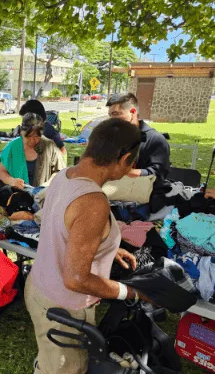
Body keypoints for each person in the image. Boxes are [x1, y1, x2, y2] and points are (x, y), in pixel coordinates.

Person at [25, 119, 144, 374]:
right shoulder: (92, 201)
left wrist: (107, 249)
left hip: (40, 287)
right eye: (132, 162)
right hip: (63, 306)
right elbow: (76, 278)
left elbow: (62, 228)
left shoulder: (65, 175)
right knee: (63, 367)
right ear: (123, 159)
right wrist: (128, 292)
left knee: (48, 356)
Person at [107, 93, 170, 187]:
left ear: (133, 111)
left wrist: (126, 172)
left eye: (116, 114)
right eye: (110, 115)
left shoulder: (155, 140)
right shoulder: (112, 138)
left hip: (144, 196)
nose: (112, 119)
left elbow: (158, 174)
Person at [0, 113, 66, 189]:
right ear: (22, 133)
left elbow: (60, 172)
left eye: (36, 136)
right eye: (28, 137)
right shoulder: (13, 146)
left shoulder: (49, 146)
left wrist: (47, 185)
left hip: (44, 196)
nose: (32, 140)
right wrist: (12, 181)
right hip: (18, 195)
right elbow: (1, 171)